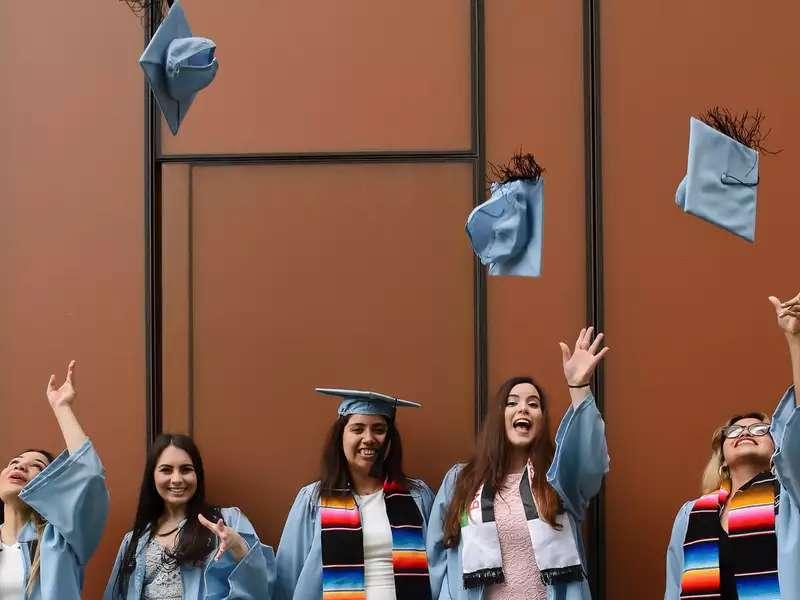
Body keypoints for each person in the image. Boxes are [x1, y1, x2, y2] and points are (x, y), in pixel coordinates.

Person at [427, 327, 610, 599]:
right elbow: (438, 559)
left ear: (541, 419)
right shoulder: (460, 481)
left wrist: (579, 387)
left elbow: (590, 462)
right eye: (512, 403)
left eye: (533, 404)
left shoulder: (558, 479)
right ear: (498, 417)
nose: (523, 409)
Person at [665, 293, 800, 599]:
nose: (745, 432)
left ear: (778, 447)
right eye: (734, 430)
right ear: (722, 457)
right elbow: (674, 589)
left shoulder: (790, 503)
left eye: (759, 428)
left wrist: (795, 341)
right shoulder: (691, 515)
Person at [275, 388, 436, 600]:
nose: (368, 438)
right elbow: (287, 577)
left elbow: (440, 566)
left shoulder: (416, 495)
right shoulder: (314, 500)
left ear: (390, 439)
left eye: (379, 429)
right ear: (341, 436)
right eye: (357, 429)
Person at [104, 433, 274, 599]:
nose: (176, 479)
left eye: (186, 469)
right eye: (166, 470)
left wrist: (238, 546)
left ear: (197, 474)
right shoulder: (135, 541)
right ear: (152, 476)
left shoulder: (227, 522)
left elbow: (264, 589)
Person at [0, 360, 109, 599]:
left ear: (49, 488)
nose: (20, 465)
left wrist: (62, 407)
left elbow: (89, 476)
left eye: (36, 466)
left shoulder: (61, 539)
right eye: (14, 462)